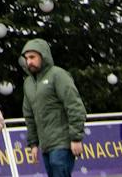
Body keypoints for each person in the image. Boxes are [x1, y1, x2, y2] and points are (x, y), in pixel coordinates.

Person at [20, 39, 88, 177]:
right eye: (26, 58)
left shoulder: (58, 75)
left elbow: (74, 105)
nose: (29, 62)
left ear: (43, 56)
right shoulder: (28, 83)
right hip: (46, 145)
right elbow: (29, 115)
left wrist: (76, 138)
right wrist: (33, 144)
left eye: (32, 57)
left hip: (63, 141)